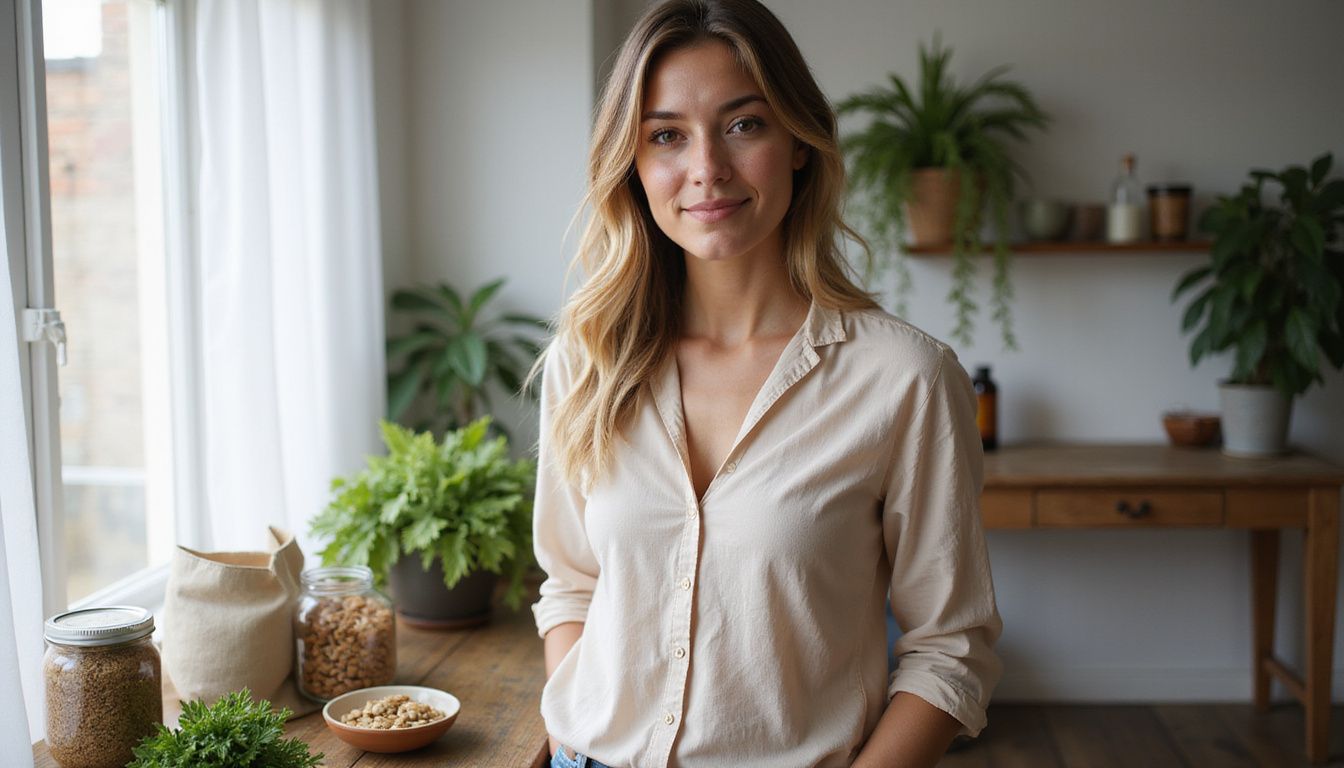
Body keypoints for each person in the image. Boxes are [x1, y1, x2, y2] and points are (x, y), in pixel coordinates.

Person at [529, 1, 1002, 766]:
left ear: (800, 144)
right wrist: (571, 734)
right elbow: (572, 585)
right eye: (666, 135)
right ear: (631, 162)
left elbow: (951, 649)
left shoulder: (904, 380)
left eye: (744, 125)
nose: (707, 168)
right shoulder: (586, 362)